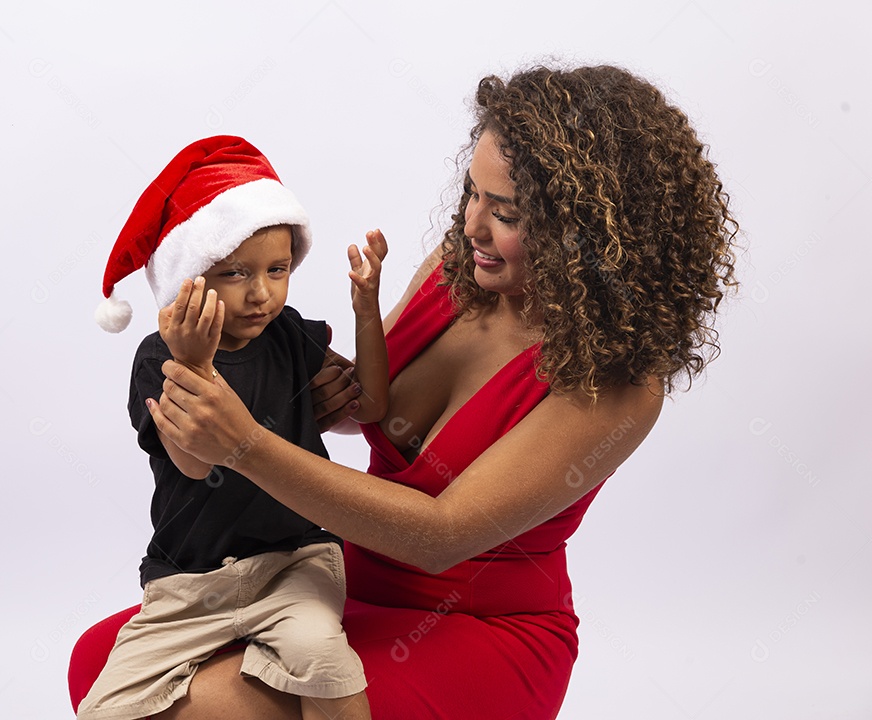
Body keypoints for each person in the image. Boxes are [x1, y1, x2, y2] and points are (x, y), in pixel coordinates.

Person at [69, 65, 739, 719]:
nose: (471, 226)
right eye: (473, 193)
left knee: (206, 705)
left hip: (483, 626)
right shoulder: (455, 274)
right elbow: (365, 405)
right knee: (99, 659)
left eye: (504, 211)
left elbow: (441, 536)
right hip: (336, 572)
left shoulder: (618, 383)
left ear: (586, 234)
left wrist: (245, 443)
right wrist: (293, 379)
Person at [78, 135, 389, 720]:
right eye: (234, 273)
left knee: (323, 661)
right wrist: (193, 362)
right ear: (189, 277)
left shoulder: (288, 335)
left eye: (277, 269)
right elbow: (197, 460)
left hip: (294, 563)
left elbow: (369, 405)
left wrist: (365, 306)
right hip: (187, 585)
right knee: (105, 709)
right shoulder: (157, 358)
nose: (261, 293)